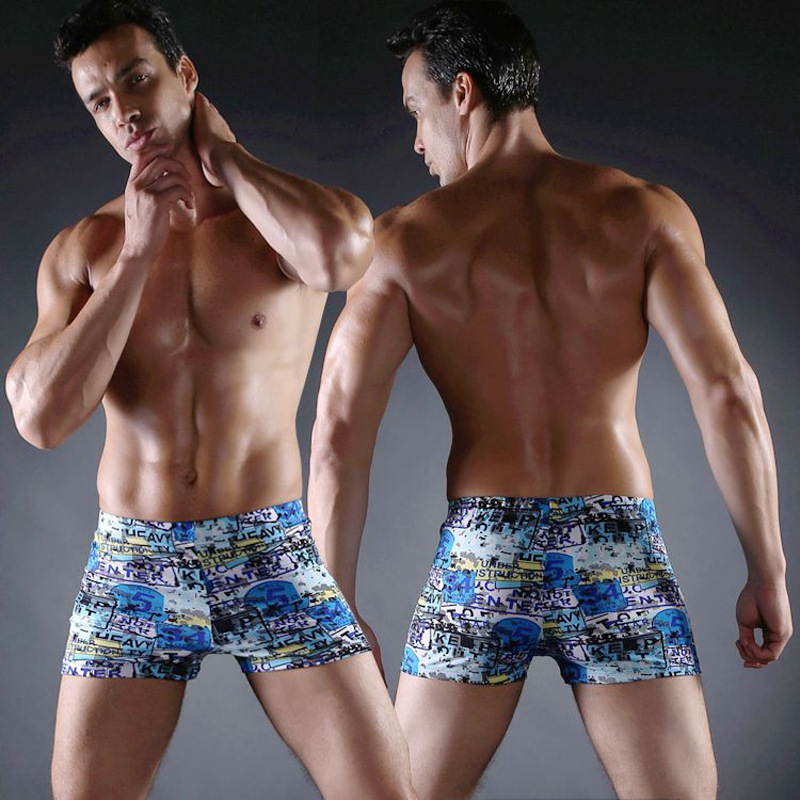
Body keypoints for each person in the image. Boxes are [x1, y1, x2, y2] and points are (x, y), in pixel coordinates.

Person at [307, 2, 792, 799]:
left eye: (416, 111)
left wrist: (334, 608)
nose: (417, 142)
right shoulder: (643, 213)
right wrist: (767, 567)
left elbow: (336, 435)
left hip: (485, 551)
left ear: (463, 93)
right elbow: (729, 393)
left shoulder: (402, 241)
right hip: (616, 547)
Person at [4, 1, 416, 798]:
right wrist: (137, 253)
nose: (123, 112)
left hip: (269, 549)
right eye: (99, 101)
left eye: (136, 80)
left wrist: (226, 158)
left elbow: (341, 255)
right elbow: (40, 418)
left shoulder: (278, 220)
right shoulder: (86, 248)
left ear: (184, 75)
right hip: (135, 560)